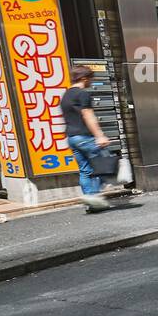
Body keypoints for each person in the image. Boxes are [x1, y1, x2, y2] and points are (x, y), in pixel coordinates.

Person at [58, 64, 112, 212]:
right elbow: (88, 115)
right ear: (83, 78)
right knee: (103, 164)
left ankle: (91, 202)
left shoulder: (66, 95)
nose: (91, 82)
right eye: (90, 79)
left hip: (72, 138)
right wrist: (99, 136)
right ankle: (93, 196)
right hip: (84, 137)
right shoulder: (82, 94)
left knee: (85, 170)